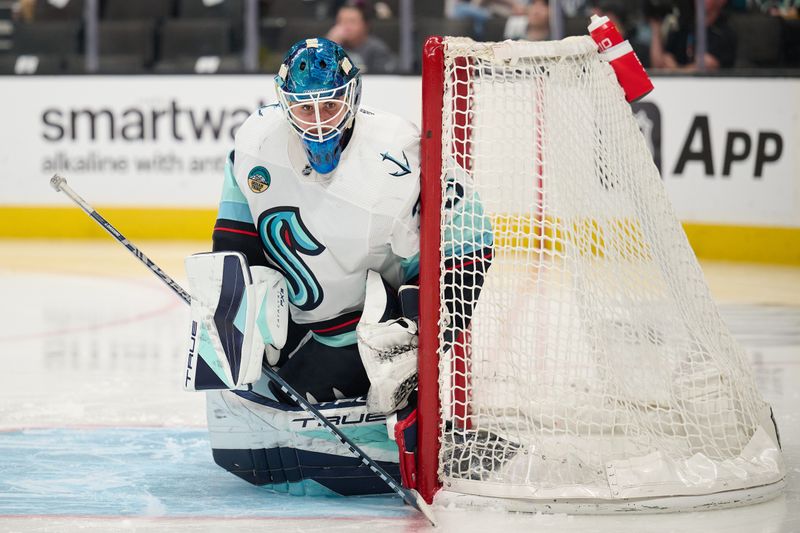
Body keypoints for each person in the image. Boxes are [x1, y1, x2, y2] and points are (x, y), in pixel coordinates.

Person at [184, 38, 493, 495]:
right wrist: (236, 319)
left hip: (371, 337)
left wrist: (425, 334)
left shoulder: (398, 150)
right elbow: (234, 241)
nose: (318, 121)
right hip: (297, 333)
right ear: (283, 102)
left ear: (352, 96)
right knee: (259, 424)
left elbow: (472, 242)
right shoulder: (255, 144)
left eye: (329, 104)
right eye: (305, 108)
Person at [649, 0, 737, 70]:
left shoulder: (725, 33)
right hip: (677, 88)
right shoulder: (683, 28)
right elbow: (661, 63)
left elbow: (706, 65)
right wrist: (656, 27)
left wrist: (676, 71)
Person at [326, 0, 398, 73]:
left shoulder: (376, 50)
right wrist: (329, 46)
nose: (345, 27)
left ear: (366, 25)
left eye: (351, 22)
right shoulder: (331, 46)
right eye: (340, 21)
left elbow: (383, 79)